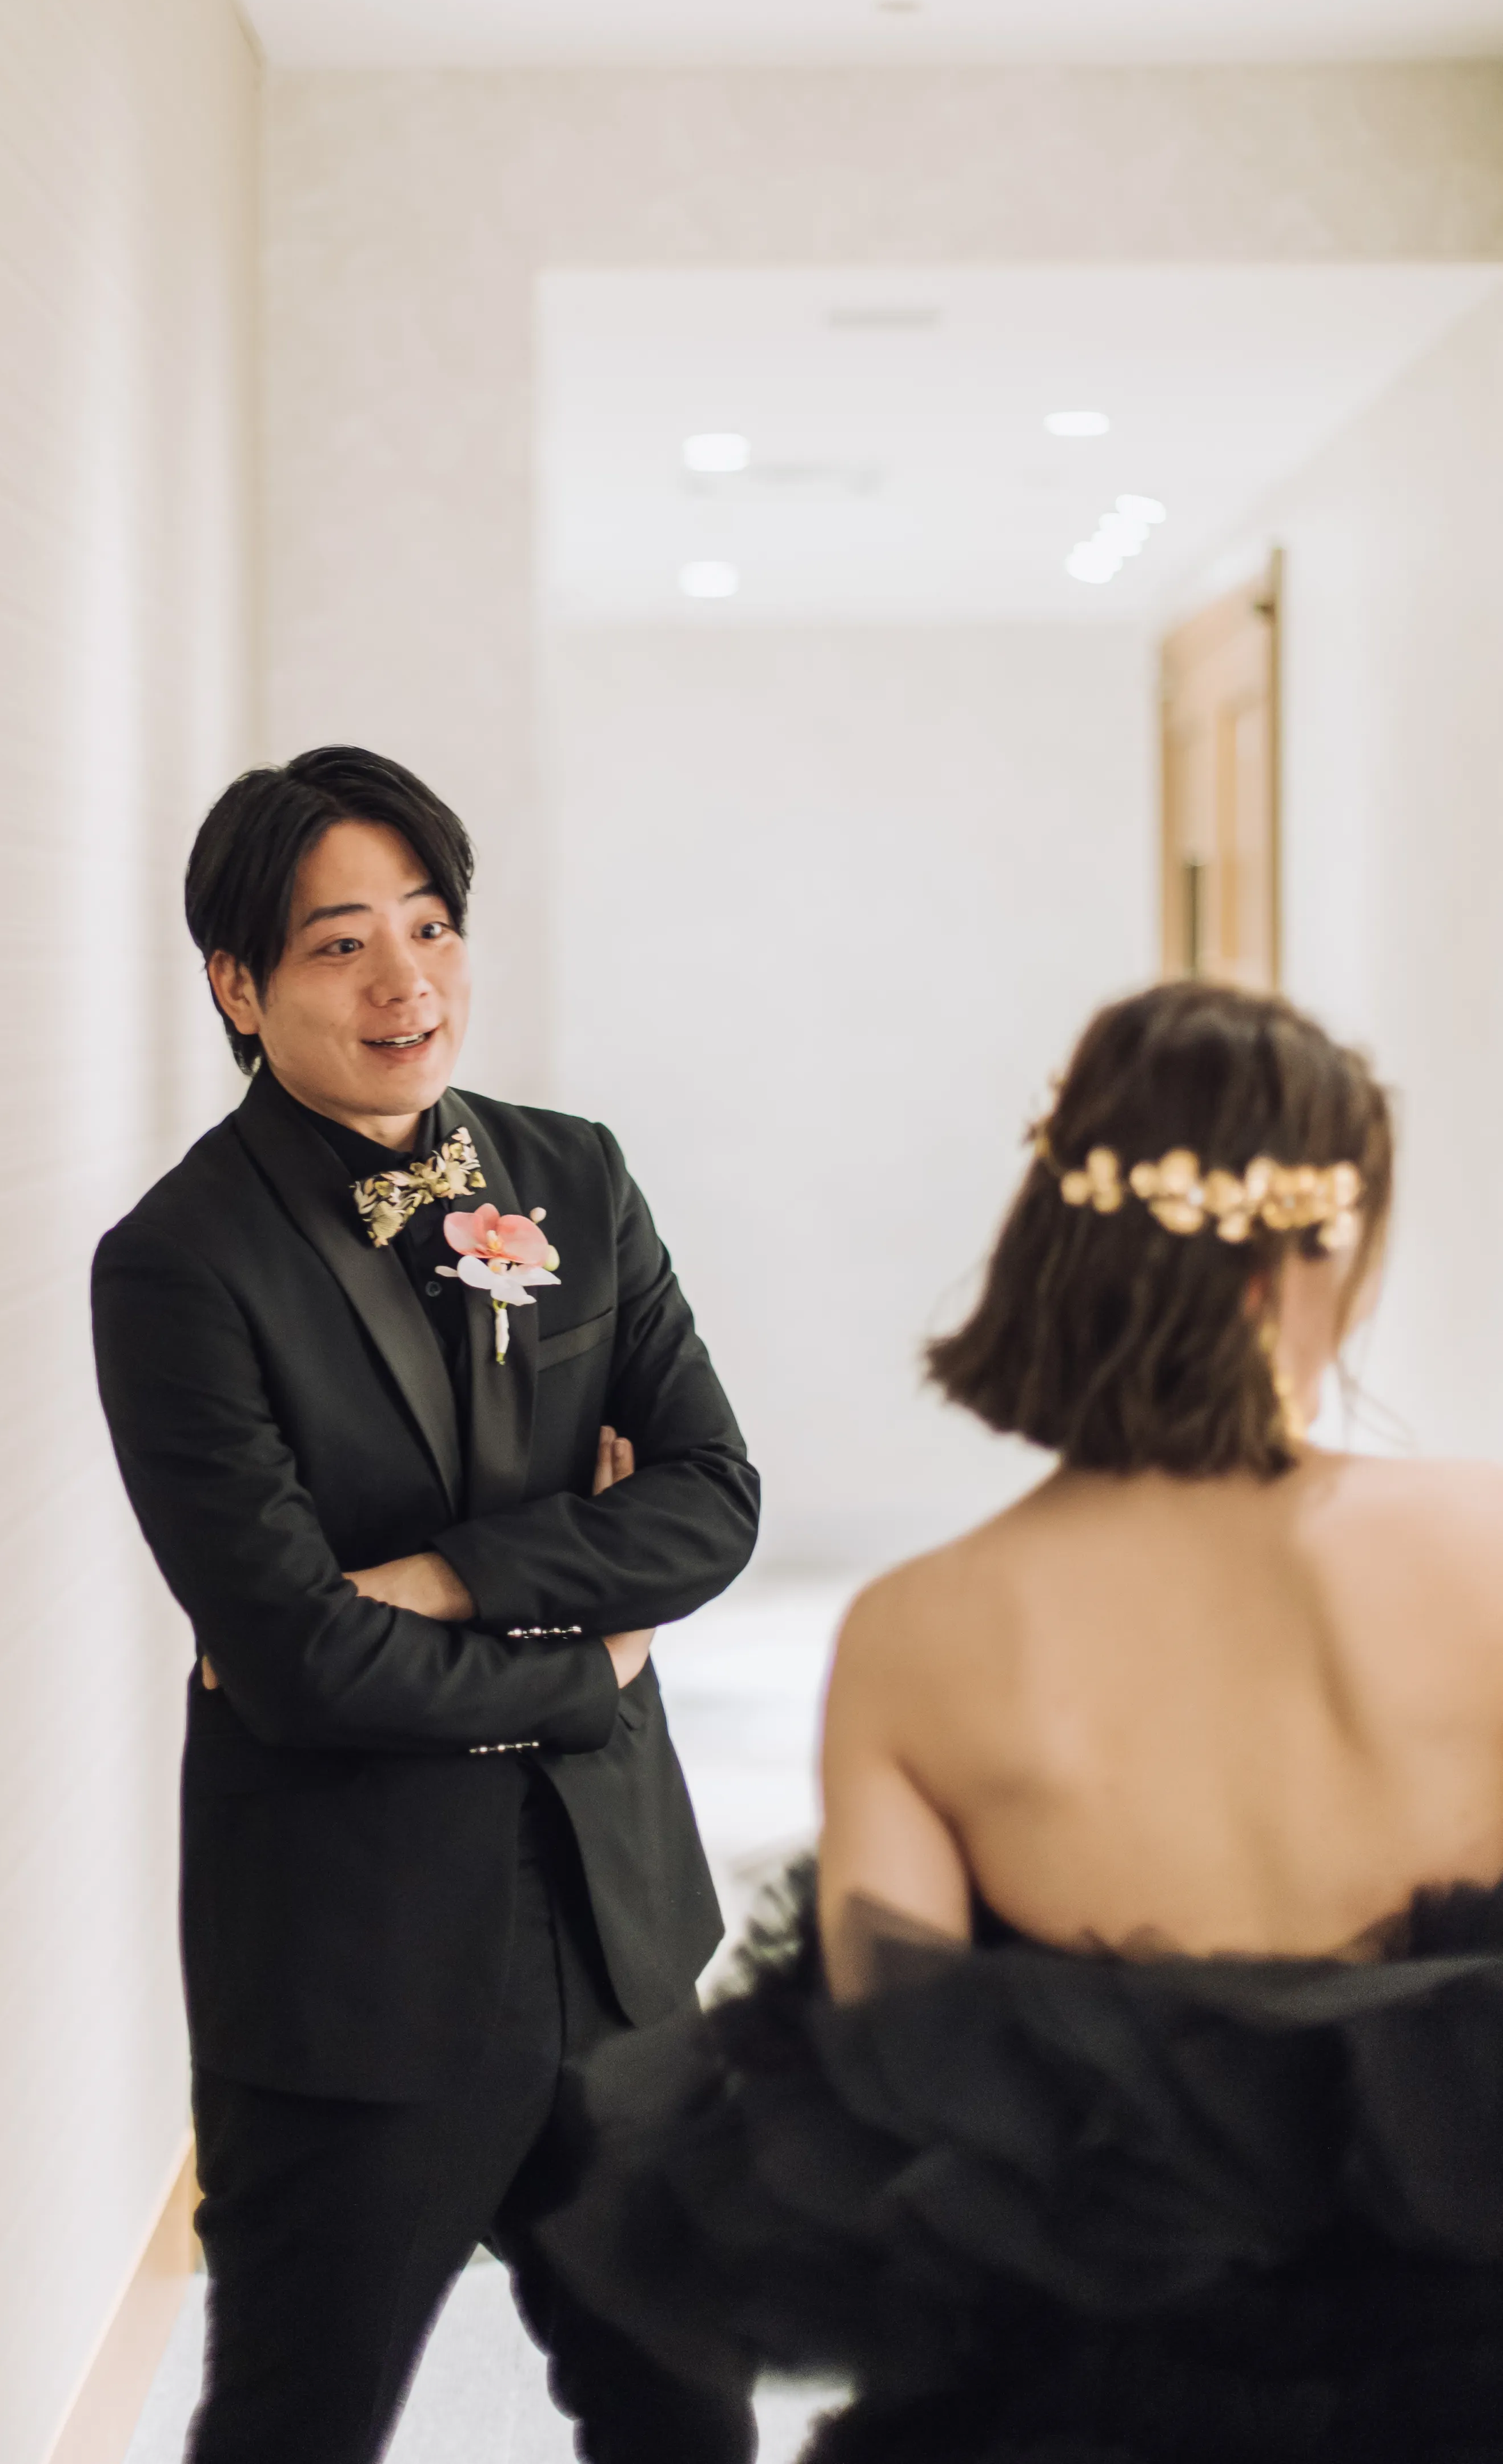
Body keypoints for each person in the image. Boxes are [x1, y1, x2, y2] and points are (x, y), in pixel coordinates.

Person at [546, 979, 1503, 2463]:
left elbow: (890, 2095)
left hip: (1096, 2402)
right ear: (1313, 1257)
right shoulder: (1487, 1547)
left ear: (1057, 1240)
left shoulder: (918, 1633)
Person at [90, 745, 759, 2463]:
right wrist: (595, 1659)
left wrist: (456, 1576)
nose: (408, 982)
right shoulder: (178, 1262)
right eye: (340, 944)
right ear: (238, 988)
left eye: (432, 926)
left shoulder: (577, 1177)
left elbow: (710, 1498)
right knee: (296, 2430)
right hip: (356, 1972)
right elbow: (300, 1658)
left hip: (621, 1942)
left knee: (692, 2423)